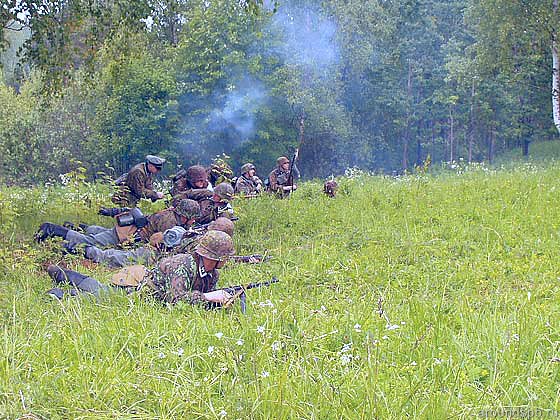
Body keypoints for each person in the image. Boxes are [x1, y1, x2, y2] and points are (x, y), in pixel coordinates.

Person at [45, 231, 235, 306]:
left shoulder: (211, 273)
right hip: (138, 293)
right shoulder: (182, 265)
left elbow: (198, 300)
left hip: (149, 294)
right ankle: (59, 288)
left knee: (101, 290)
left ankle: (62, 275)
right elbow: (178, 299)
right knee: (101, 296)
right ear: (213, 257)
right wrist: (209, 297)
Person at [36, 199, 200, 250]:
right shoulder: (170, 221)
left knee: (95, 234)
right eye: (192, 218)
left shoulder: (173, 215)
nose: (193, 221)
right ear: (184, 216)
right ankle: (52, 229)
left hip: (131, 231)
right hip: (127, 234)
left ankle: (74, 228)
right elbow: (168, 244)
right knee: (92, 242)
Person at [83, 217, 234, 268]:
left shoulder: (201, 234)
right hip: (156, 255)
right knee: (116, 257)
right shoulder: (203, 242)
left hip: (159, 252)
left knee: (121, 255)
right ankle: (85, 250)